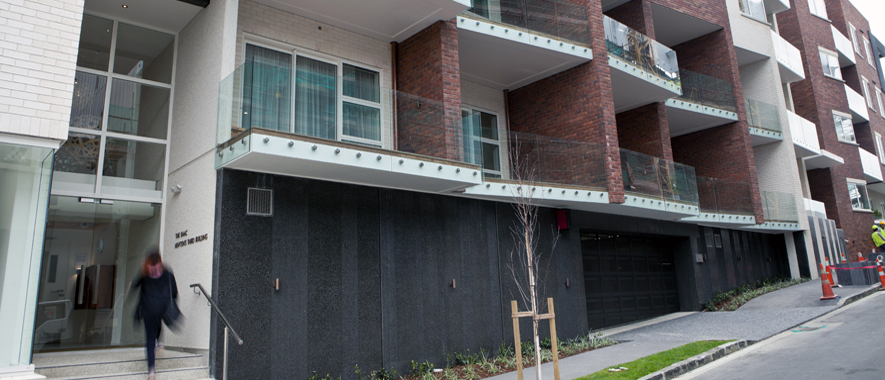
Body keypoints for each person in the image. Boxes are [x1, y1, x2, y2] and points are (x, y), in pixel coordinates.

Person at [132, 251, 180, 380]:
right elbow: (174, 292)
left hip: (149, 310)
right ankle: (160, 344)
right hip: (161, 309)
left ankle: (151, 372)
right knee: (156, 329)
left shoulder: (145, 274)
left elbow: (135, 287)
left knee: (150, 339)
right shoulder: (167, 273)